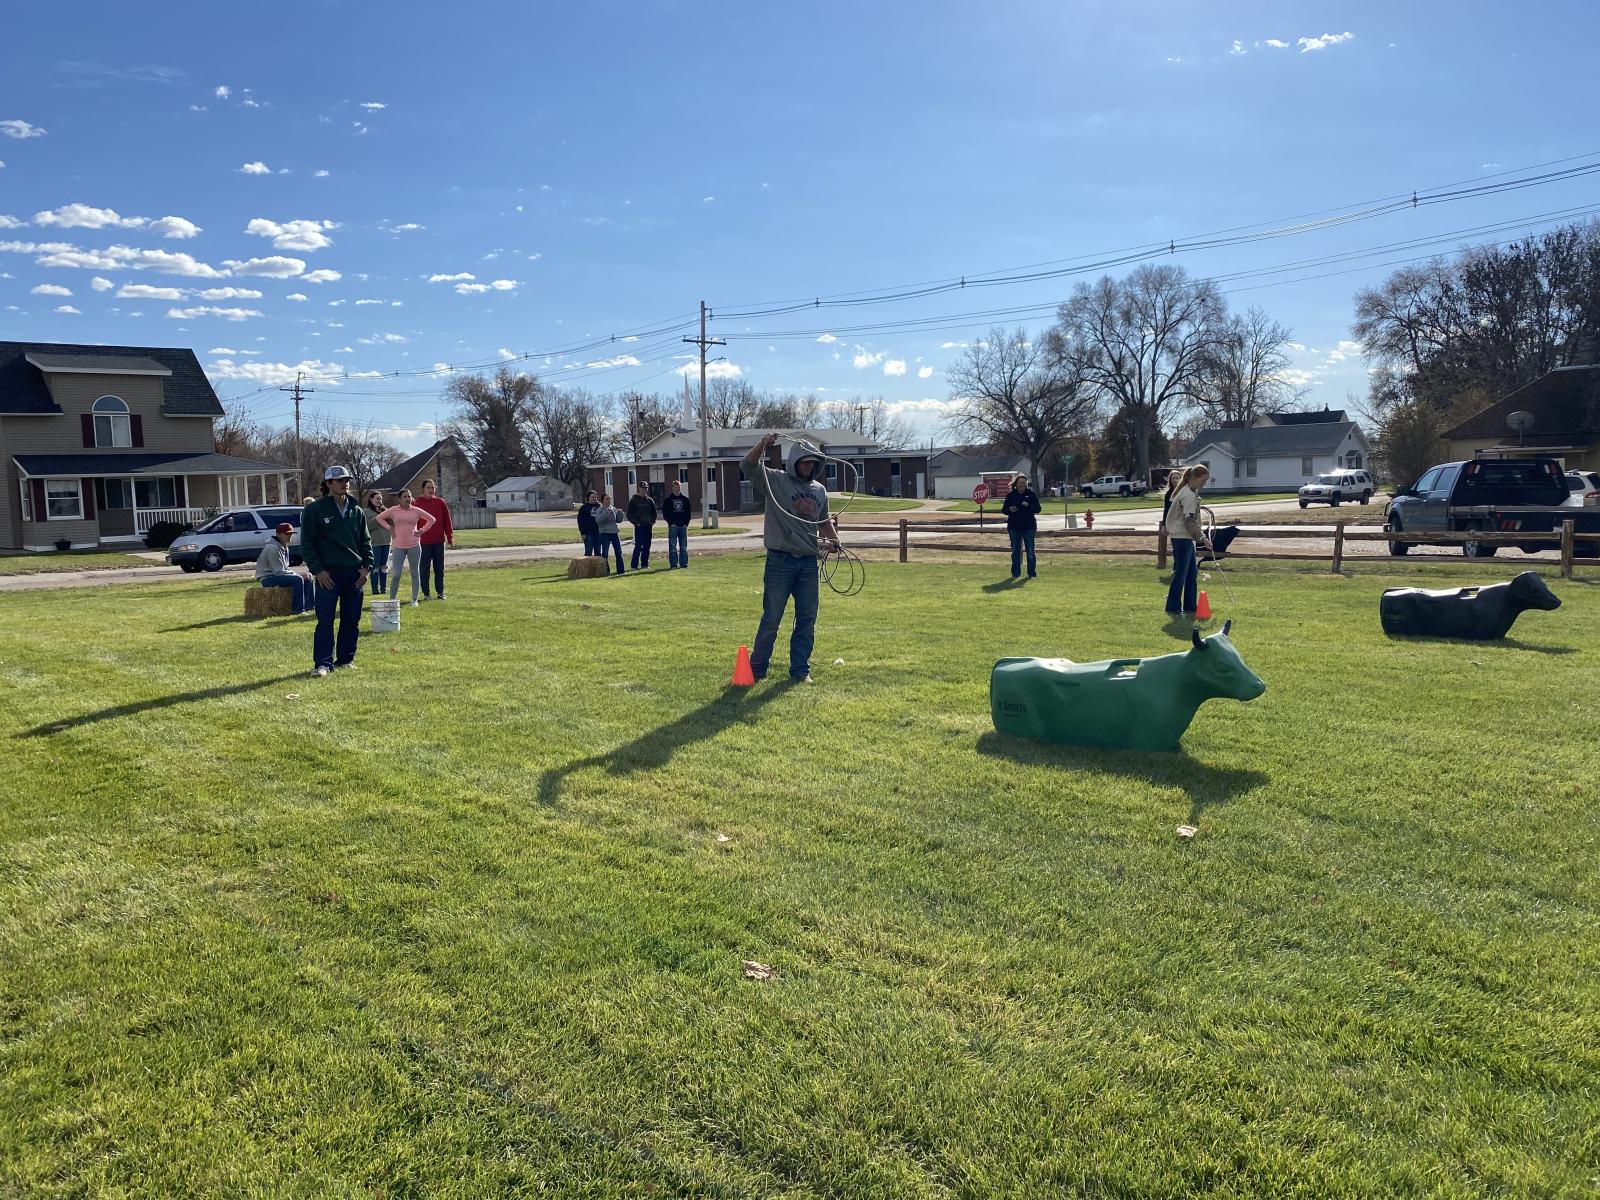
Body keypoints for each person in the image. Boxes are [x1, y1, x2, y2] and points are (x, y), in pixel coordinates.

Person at [743, 433, 838, 683]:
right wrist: (763, 444)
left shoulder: (820, 491)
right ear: (795, 461)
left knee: (807, 618)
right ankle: (756, 670)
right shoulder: (776, 480)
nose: (810, 467)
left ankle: (800, 671)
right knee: (772, 618)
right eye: (805, 462)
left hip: (808, 562)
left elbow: (823, 520)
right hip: (780, 561)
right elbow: (747, 465)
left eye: (814, 463)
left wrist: (834, 539)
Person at [301, 464, 372, 677]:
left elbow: (365, 541)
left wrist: (366, 568)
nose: (345, 483)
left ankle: (346, 659)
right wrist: (318, 571)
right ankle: (323, 664)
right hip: (327, 575)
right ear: (328, 484)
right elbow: (307, 544)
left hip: (353, 574)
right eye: (340, 480)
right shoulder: (315, 510)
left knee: (351, 619)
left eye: (346, 480)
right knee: (325, 620)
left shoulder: (356, 510)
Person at [1164, 465, 1211, 619]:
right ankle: (1173, 607)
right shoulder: (1188, 496)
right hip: (1182, 538)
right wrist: (1203, 538)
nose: (1204, 484)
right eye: (1202, 480)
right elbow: (1190, 523)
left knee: (1192, 573)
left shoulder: (1189, 492)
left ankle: (1190, 607)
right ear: (1193, 478)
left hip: (1186, 538)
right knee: (1181, 574)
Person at [377, 488, 436, 606]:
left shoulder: (416, 510)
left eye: (409, 496)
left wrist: (421, 531)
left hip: (414, 545)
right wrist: (390, 528)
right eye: (404, 497)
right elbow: (379, 518)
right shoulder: (394, 510)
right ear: (400, 499)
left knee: (414, 572)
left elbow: (432, 519)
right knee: (396, 574)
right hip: (398, 546)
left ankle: (414, 600)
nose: (407, 499)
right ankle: (392, 600)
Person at [254, 521, 312, 614]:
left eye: (291, 534)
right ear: (278, 534)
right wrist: (299, 575)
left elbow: (285, 569)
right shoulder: (272, 548)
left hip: (276, 575)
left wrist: (301, 575)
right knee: (298, 579)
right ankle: (298, 610)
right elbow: (279, 571)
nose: (289, 536)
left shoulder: (283, 546)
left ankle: (310, 606)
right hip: (267, 578)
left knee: (308, 576)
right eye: (287, 534)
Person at [413, 479, 454, 601]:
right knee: (424, 569)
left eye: (432, 487)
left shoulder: (440, 502)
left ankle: (440, 592)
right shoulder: (416, 503)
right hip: (423, 542)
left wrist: (450, 537)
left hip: (438, 541)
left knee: (439, 568)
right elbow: (413, 521)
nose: (431, 490)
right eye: (428, 487)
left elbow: (447, 521)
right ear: (423, 489)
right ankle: (426, 593)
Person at [1001, 472, 1041, 579]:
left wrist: (1029, 506)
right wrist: (1009, 510)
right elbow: (1004, 510)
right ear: (1016, 484)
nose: (1022, 485)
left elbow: (1038, 509)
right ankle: (1015, 573)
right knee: (1015, 551)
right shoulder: (1010, 495)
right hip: (1014, 527)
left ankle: (1031, 574)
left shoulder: (1031, 495)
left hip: (1029, 527)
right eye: (1020, 483)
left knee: (1030, 551)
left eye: (1024, 483)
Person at [363, 490, 391, 595]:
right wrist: (378, 518)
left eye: (381, 499)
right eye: (377, 498)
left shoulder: (385, 511)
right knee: (375, 567)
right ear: (371, 499)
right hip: (375, 543)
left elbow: (393, 524)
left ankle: (383, 588)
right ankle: (375, 589)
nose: (380, 501)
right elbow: (367, 526)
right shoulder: (365, 512)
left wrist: (387, 516)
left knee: (384, 566)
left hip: (386, 542)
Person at [626, 481, 658, 570]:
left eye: (646, 488)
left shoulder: (650, 500)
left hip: (648, 526)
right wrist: (637, 523)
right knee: (638, 546)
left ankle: (644, 564)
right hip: (639, 527)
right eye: (643, 488)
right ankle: (634, 565)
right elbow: (629, 515)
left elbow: (654, 513)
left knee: (647, 546)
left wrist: (652, 522)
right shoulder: (634, 500)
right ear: (639, 488)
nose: (645, 490)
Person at [662, 478, 692, 569]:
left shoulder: (685, 500)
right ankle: (674, 564)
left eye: (678, 487)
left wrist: (686, 524)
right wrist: (671, 523)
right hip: (673, 527)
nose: (677, 489)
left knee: (683, 547)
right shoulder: (668, 500)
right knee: (672, 547)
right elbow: (665, 513)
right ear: (672, 488)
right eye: (675, 487)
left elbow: (688, 513)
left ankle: (684, 564)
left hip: (683, 527)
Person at [594, 493, 625, 574]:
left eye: (609, 499)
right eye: (606, 499)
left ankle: (621, 571)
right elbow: (598, 521)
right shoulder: (600, 510)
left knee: (618, 552)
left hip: (614, 532)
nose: (608, 500)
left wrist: (620, 514)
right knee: (605, 553)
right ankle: (606, 571)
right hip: (605, 533)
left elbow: (618, 520)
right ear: (603, 501)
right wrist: (605, 513)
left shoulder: (613, 508)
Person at [577, 490, 600, 556]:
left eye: (595, 497)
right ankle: (587, 566)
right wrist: (582, 533)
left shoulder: (599, 507)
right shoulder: (584, 508)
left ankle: (596, 566)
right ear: (588, 498)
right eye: (592, 497)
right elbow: (580, 521)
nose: (594, 499)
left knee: (598, 552)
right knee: (588, 551)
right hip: (588, 533)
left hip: (598, 533)